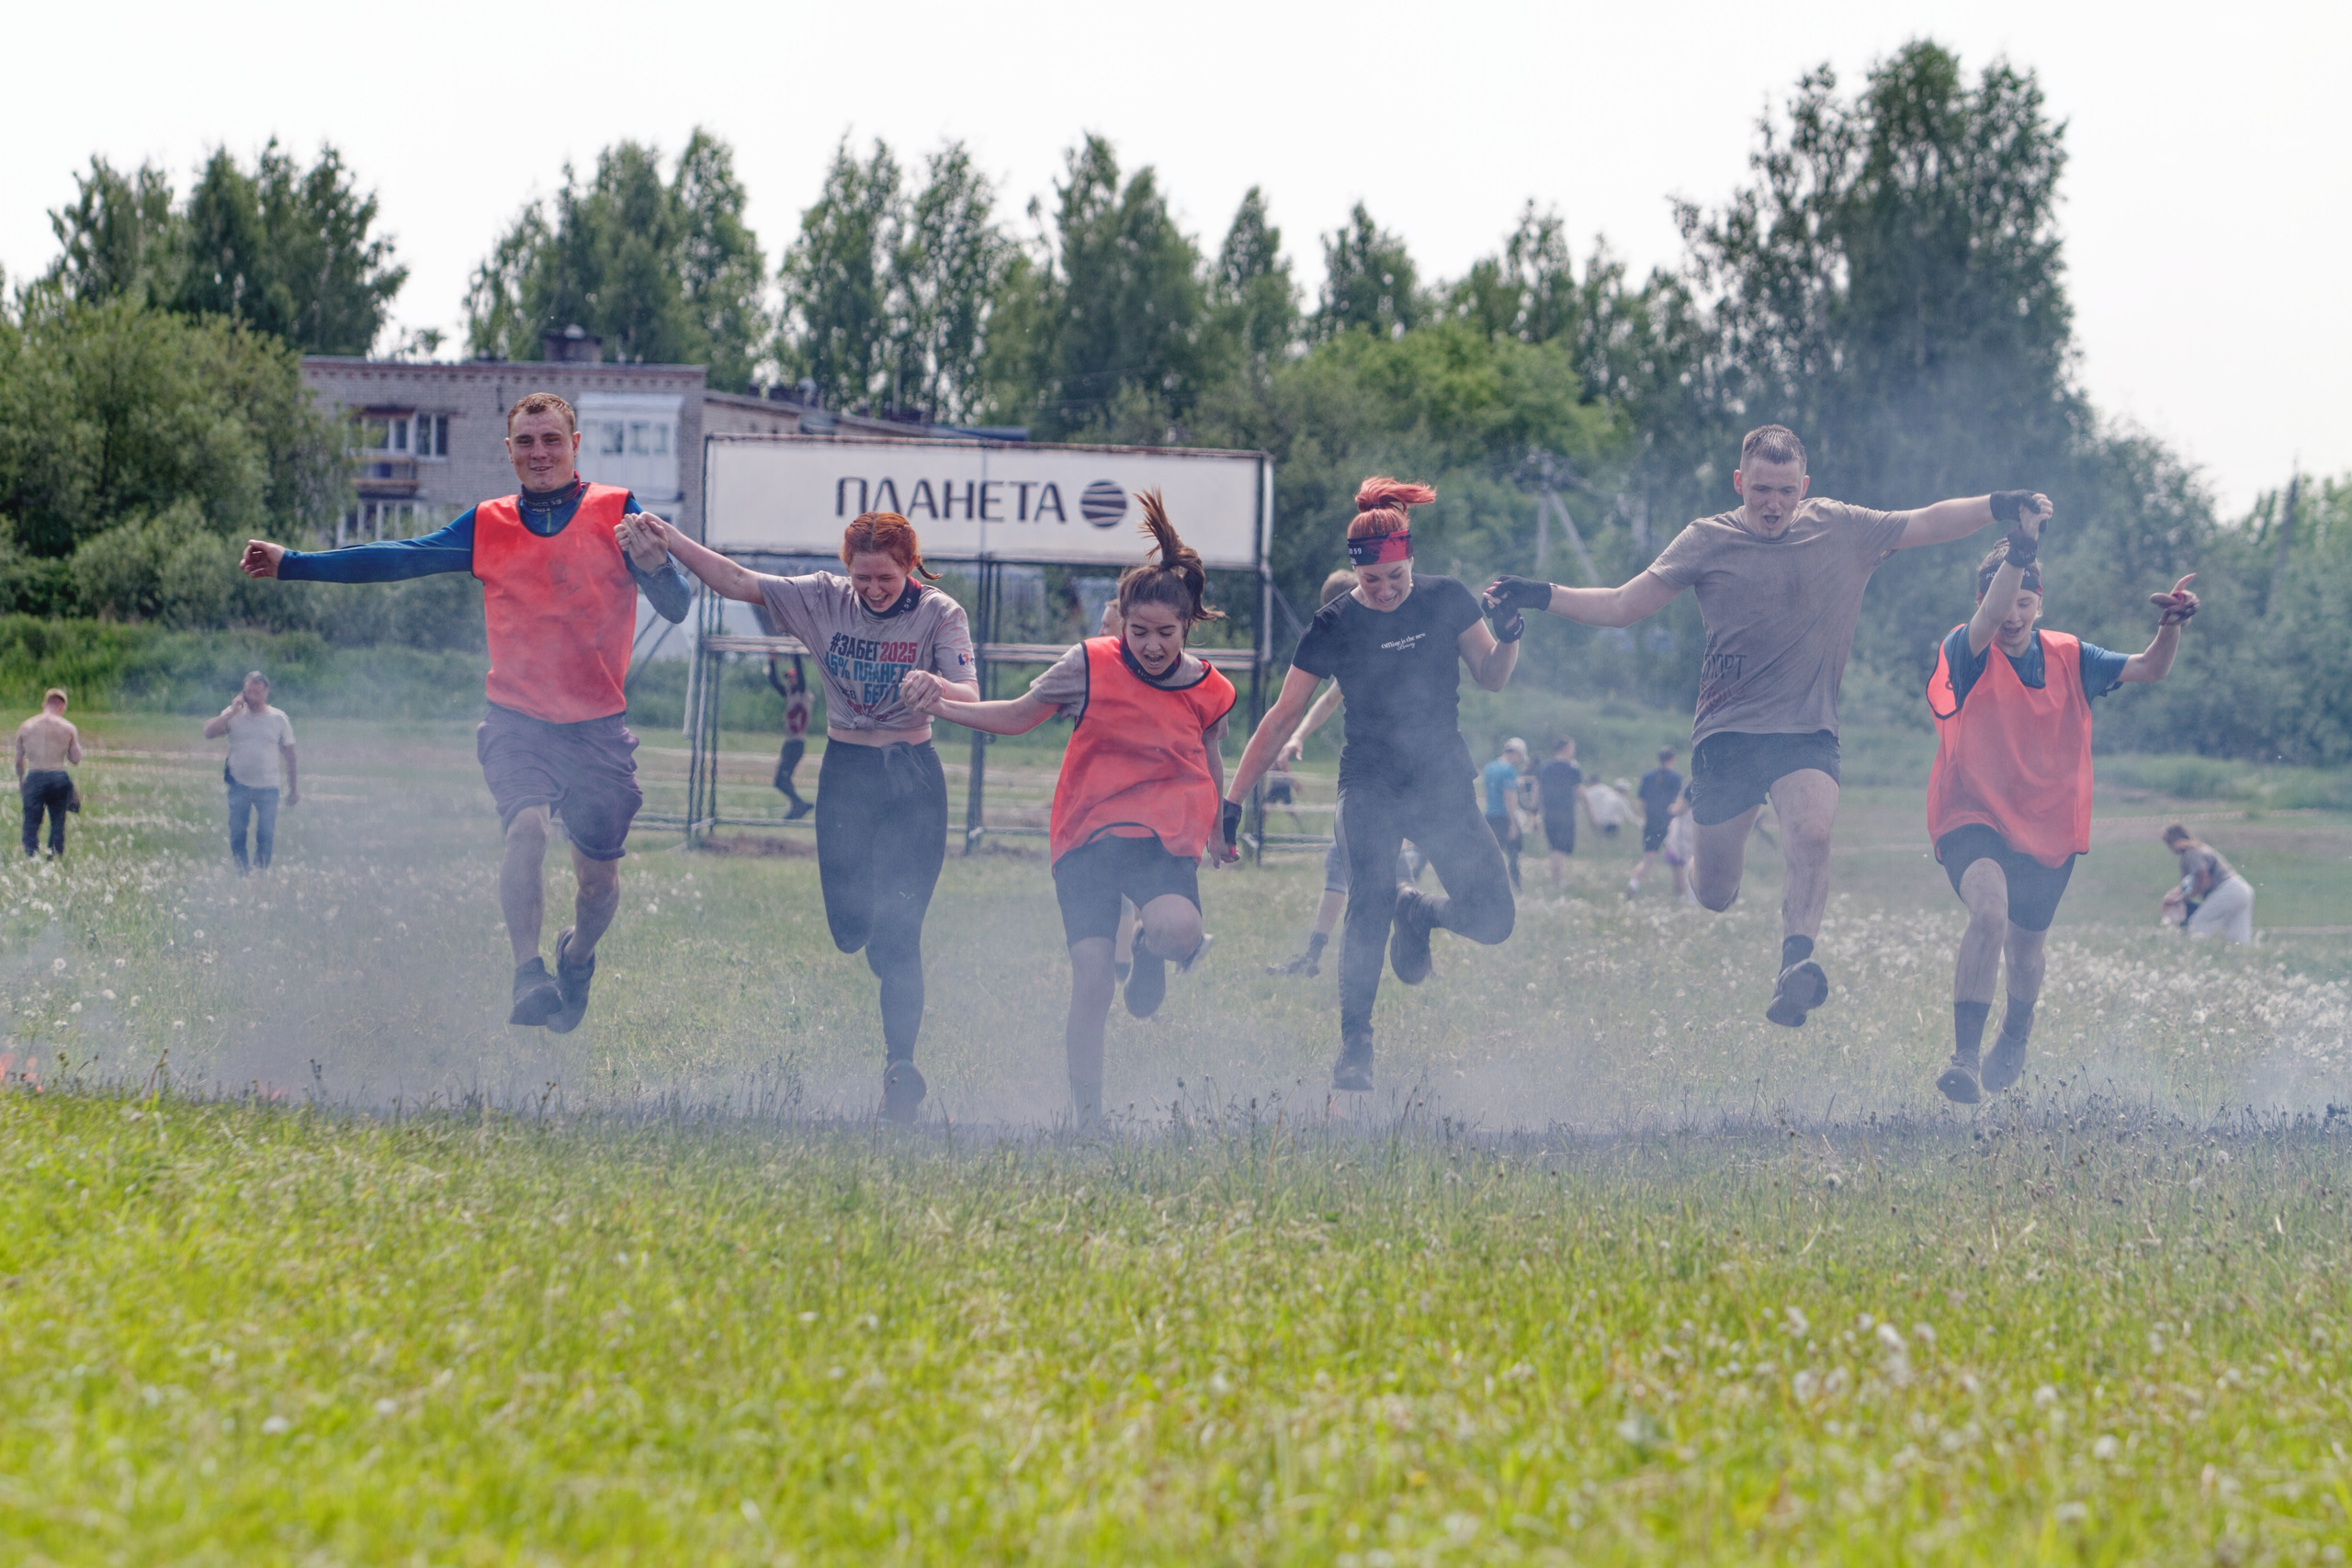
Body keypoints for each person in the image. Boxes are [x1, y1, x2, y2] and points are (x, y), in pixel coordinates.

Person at [1488, 423, 2052, 1027]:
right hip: (1725, 734)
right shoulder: (1707, 539)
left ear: (1804, 487)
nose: (1773, 504)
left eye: (1785, 490)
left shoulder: (1840, 526)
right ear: (1740, 483)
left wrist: (2000, 507)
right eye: (1761, 489)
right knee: (1714, 892)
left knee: (1812, 833)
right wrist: (1538, 593)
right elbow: (1625, 604)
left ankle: (1796, 965)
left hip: (1806, 730)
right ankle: (1739, 900)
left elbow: (1928, 520)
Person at [242, 390, 695, 1033]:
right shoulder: (488, 523)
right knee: (527, 831)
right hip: (517, 718)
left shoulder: (617, 512)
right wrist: (295, 564)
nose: (540, 453)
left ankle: (576, 956)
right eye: (527, 442)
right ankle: (526, 973)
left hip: (596, 725)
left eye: (552, 440)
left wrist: (656, 570)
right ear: (508, 451)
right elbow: (399, 556)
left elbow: (677, 606)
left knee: (598, 888)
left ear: (575, 445)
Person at [631, 510, 978, 1122]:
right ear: (847, 572)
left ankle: (901, 1068)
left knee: (900, 934)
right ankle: (879, 948)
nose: (874, 591)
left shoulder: (940, 614)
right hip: (846, 774)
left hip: (913, 777)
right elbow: (737, 579)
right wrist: (672, 541)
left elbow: (969, 694)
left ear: (909, 569)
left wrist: (936, 689)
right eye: (863, 578)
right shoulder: (820, 598)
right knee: (851, 931)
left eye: (887, 580)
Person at [902, 494, 1229, 1125]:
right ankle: (1088, 1119)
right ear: (1121, 624)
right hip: (1087, 837)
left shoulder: (1207, 686)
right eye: (1139, 632)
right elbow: (1019, 716)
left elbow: (1212, 753)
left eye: (1166, 633)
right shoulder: (1088, 664)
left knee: (1181, 931)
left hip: (1163, 840)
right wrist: (943, 705)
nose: (1153, 645)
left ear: (1187, 625)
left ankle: (1150, 947)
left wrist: (1219, 827)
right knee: (1093, 981)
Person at [1225, 478, 1520, 1091]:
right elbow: (1281, 717)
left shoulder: (1446, 600)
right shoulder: (1333, 624)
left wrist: (1511, 634)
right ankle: (1355, 1044)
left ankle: (1420, 912)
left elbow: (1491, 675)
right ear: (1355, 575)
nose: (1385, 592)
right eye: (1371, 582)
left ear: (1412, 561)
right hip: (1371, 780)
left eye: (1396, 579)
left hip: (1440, 777)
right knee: (1369, 896)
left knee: (1494, 917)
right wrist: (1232, 800)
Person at [1925, 508, 2202, 1102]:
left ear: (2041, 604)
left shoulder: (2072, 655)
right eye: (2003, 603)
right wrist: (2021, 549)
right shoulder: (1966, 647)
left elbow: (2151, 667)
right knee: (1990, 913)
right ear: (1983, 603)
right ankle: (1964, 1059)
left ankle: (2016, 1032)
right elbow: (1989, 617)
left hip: (2047, 826)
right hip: (1970, 811)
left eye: (2026, 603)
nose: (2013, 616)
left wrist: (2172, 623)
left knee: (2026, 952)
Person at [202, 671, 299, 873]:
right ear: (243, 693)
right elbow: (208, 732)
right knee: (237, 832)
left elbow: (290, 755)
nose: (252, 697)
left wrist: (294, 789)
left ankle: (260, 872)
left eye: (257, 692)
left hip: (268, 786)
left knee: (265, 833)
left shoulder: (279, 719)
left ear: (266, 693)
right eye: (248, 692)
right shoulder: (234, 714)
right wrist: (231, 713)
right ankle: (243, 872)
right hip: (239, 783)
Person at [15, 689, 82, 860]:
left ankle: (31, 855)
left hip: (35, 776)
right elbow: (75, 759)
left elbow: (18, 760)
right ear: (62, 707)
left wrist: (21, 781)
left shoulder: (26, 726)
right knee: (58, 821)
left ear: (44, 704)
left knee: (31, 822)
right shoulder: (68, 727)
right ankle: (53, 857)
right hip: (57, 776)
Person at [2163, 824, 2253, 945]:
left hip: (2226, 890)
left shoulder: (2191, 853)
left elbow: (2203, 881)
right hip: (2242, 889)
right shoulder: (2198, 849)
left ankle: (2196, 953)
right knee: (2238, 937)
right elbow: (2187, 884)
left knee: (2198, 924)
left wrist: (2182, 898)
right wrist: (2172, 896)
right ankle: (2243, 958)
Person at [1624, 746, 1684, 899]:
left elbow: (1641, 802)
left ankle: (1633, 884)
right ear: (1672, 760)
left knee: (1648, 859)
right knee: (1676, 861)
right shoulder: (1676, 778)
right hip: (1669, 822)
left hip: (1651, 821)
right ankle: (1680, 895)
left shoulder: (1648, 776)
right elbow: (1678, 801)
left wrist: (1646, 817)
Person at [766, 655, 815, 820]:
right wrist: (771, 661)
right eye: (789, 679)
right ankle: (798, 805)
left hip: (796, 743)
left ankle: (799, 804)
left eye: (792, 678)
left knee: (781, 780)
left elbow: (801, 677)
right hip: (790, 743)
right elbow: (774, 682)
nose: (790, 681)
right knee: (782, 780)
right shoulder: (791, 694)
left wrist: (796, 655)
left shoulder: (802, 693)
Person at [1534, 737, 1584, 889]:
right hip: (1565, 813)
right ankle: (1556, 881)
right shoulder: (1572, 769)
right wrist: (1592, 813)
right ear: (1566, 748)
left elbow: (1537, 791)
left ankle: (1555, 880)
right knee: (1559, 848)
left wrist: (1534, 813)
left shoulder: (1544, 767)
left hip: (1548, 813)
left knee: (1554, 847)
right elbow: (1580, 792)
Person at [1481, 738, 1531, 890]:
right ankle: (1515, 885)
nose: (1519, 761)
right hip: (1504, 816)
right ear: (1515, 753)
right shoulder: (1509, 770)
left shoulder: (1489, 767)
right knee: (1513, 853)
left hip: (1489, 815)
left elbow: (1486, 792)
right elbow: (1509, 797)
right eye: (1519, 757)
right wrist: (1513, 824)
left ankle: (1487, 885)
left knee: (1492, 854)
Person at [1582, 775, 1632, 839]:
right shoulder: (1608, 790)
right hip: (1612, 822)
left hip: (1596, 820)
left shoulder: (1588, 792)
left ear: (1592, 782)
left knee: (1598, 839)